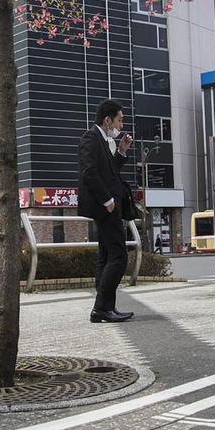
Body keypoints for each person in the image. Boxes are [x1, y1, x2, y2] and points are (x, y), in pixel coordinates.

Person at [78, 99, 135, 323]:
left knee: (106, 257)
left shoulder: (104, 140)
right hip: (106, 208)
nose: (121, 126)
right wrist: (108, 200)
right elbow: (89, 173)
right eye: (119, 120)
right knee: (119, 257)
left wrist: (121, 151)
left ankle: (105, 307)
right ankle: (101, 308)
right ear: (107, 119)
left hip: (108, 207)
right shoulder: (90, 138)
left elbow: (109, 171)